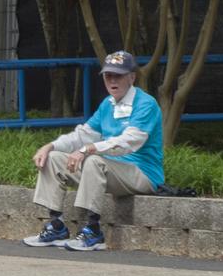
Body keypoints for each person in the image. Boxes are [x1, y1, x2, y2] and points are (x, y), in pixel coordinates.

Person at [23, 50, 164, 251]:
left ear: (132, 77)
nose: (112, 80)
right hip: (110, 170)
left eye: (119, 75)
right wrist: (50, 146)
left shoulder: (146, 104)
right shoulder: (107, 104)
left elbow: (129, 142)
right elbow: (83, 135)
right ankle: (56, 226)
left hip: (142, 173)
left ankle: (93, 231)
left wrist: (89, 149)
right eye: (108, 75)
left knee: (94, 160)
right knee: (53, 159)